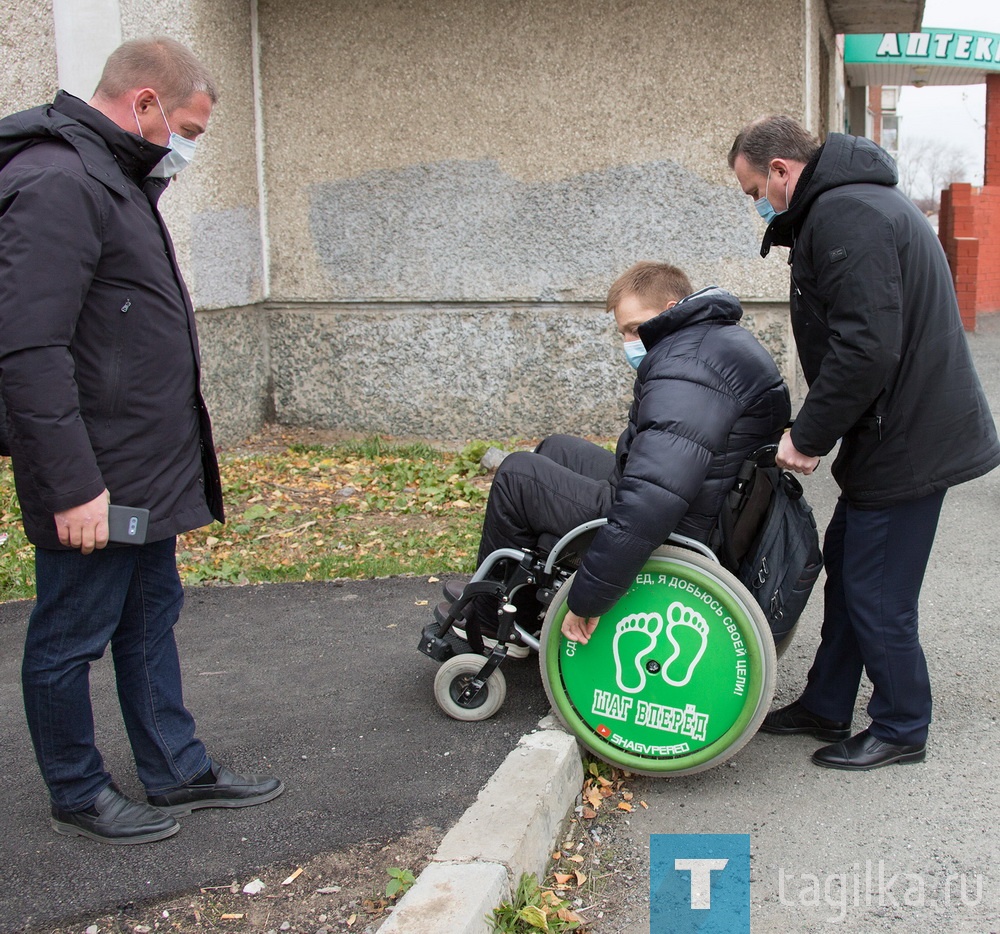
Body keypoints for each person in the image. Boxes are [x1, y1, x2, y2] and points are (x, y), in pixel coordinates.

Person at [0, 37, 283, 844]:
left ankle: (175, 768)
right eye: (187, 126)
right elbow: (28, 351)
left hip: (141, 469)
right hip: (97, 476)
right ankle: (77, 790)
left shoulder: (114, 177)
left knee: (149, 613)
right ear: (145, 103)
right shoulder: (58, 180)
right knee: (71, 632)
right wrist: (71, 485)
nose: (187, 145)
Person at [728, 114, 1000, 771]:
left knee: (878, 591)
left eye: (751, 190)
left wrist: (809, 436)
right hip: (898, 430)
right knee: (850, 569)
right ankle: (826, 703)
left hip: (910, 438)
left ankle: (903, 725)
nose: (755, 203)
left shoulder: (845, 215)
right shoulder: (849, 204)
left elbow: (865, 347)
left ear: (782, 171)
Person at [449, 261, 790, 652]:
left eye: (635, 328)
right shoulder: (711, 339)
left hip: (682, 526)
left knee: (516, 476)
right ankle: (523, 600)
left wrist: (588, 598)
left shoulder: (686, 366)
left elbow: (652, 498)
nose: (631, 341)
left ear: (670, 307)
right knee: (556, 447)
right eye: (624, 332)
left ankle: (492, 623)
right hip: (705, 501)